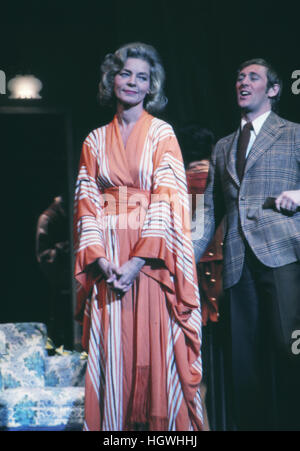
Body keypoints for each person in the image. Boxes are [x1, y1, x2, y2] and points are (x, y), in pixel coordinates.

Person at [73, 42, 203, 431]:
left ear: (151, 87)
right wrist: (100, 259)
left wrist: (136, 261)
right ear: (112, 79)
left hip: (150, 260)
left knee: (156, 349)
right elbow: (86, 202)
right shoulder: (93, 141)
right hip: (108, 261)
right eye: (125, 73)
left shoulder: (162, 133)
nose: (132, 81)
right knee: (114, 354)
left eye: (141, 77)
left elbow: (169, 199)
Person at [193, 58, 300, 431]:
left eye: (253, 77)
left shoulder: (293, 133)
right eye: (239, 77)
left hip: (283, 254)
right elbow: (208, 211)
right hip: (238, 261)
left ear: (273, 90)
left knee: (290, 353)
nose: (243, 82)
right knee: (244, 364)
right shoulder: (223, 146)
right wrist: (184, 257)